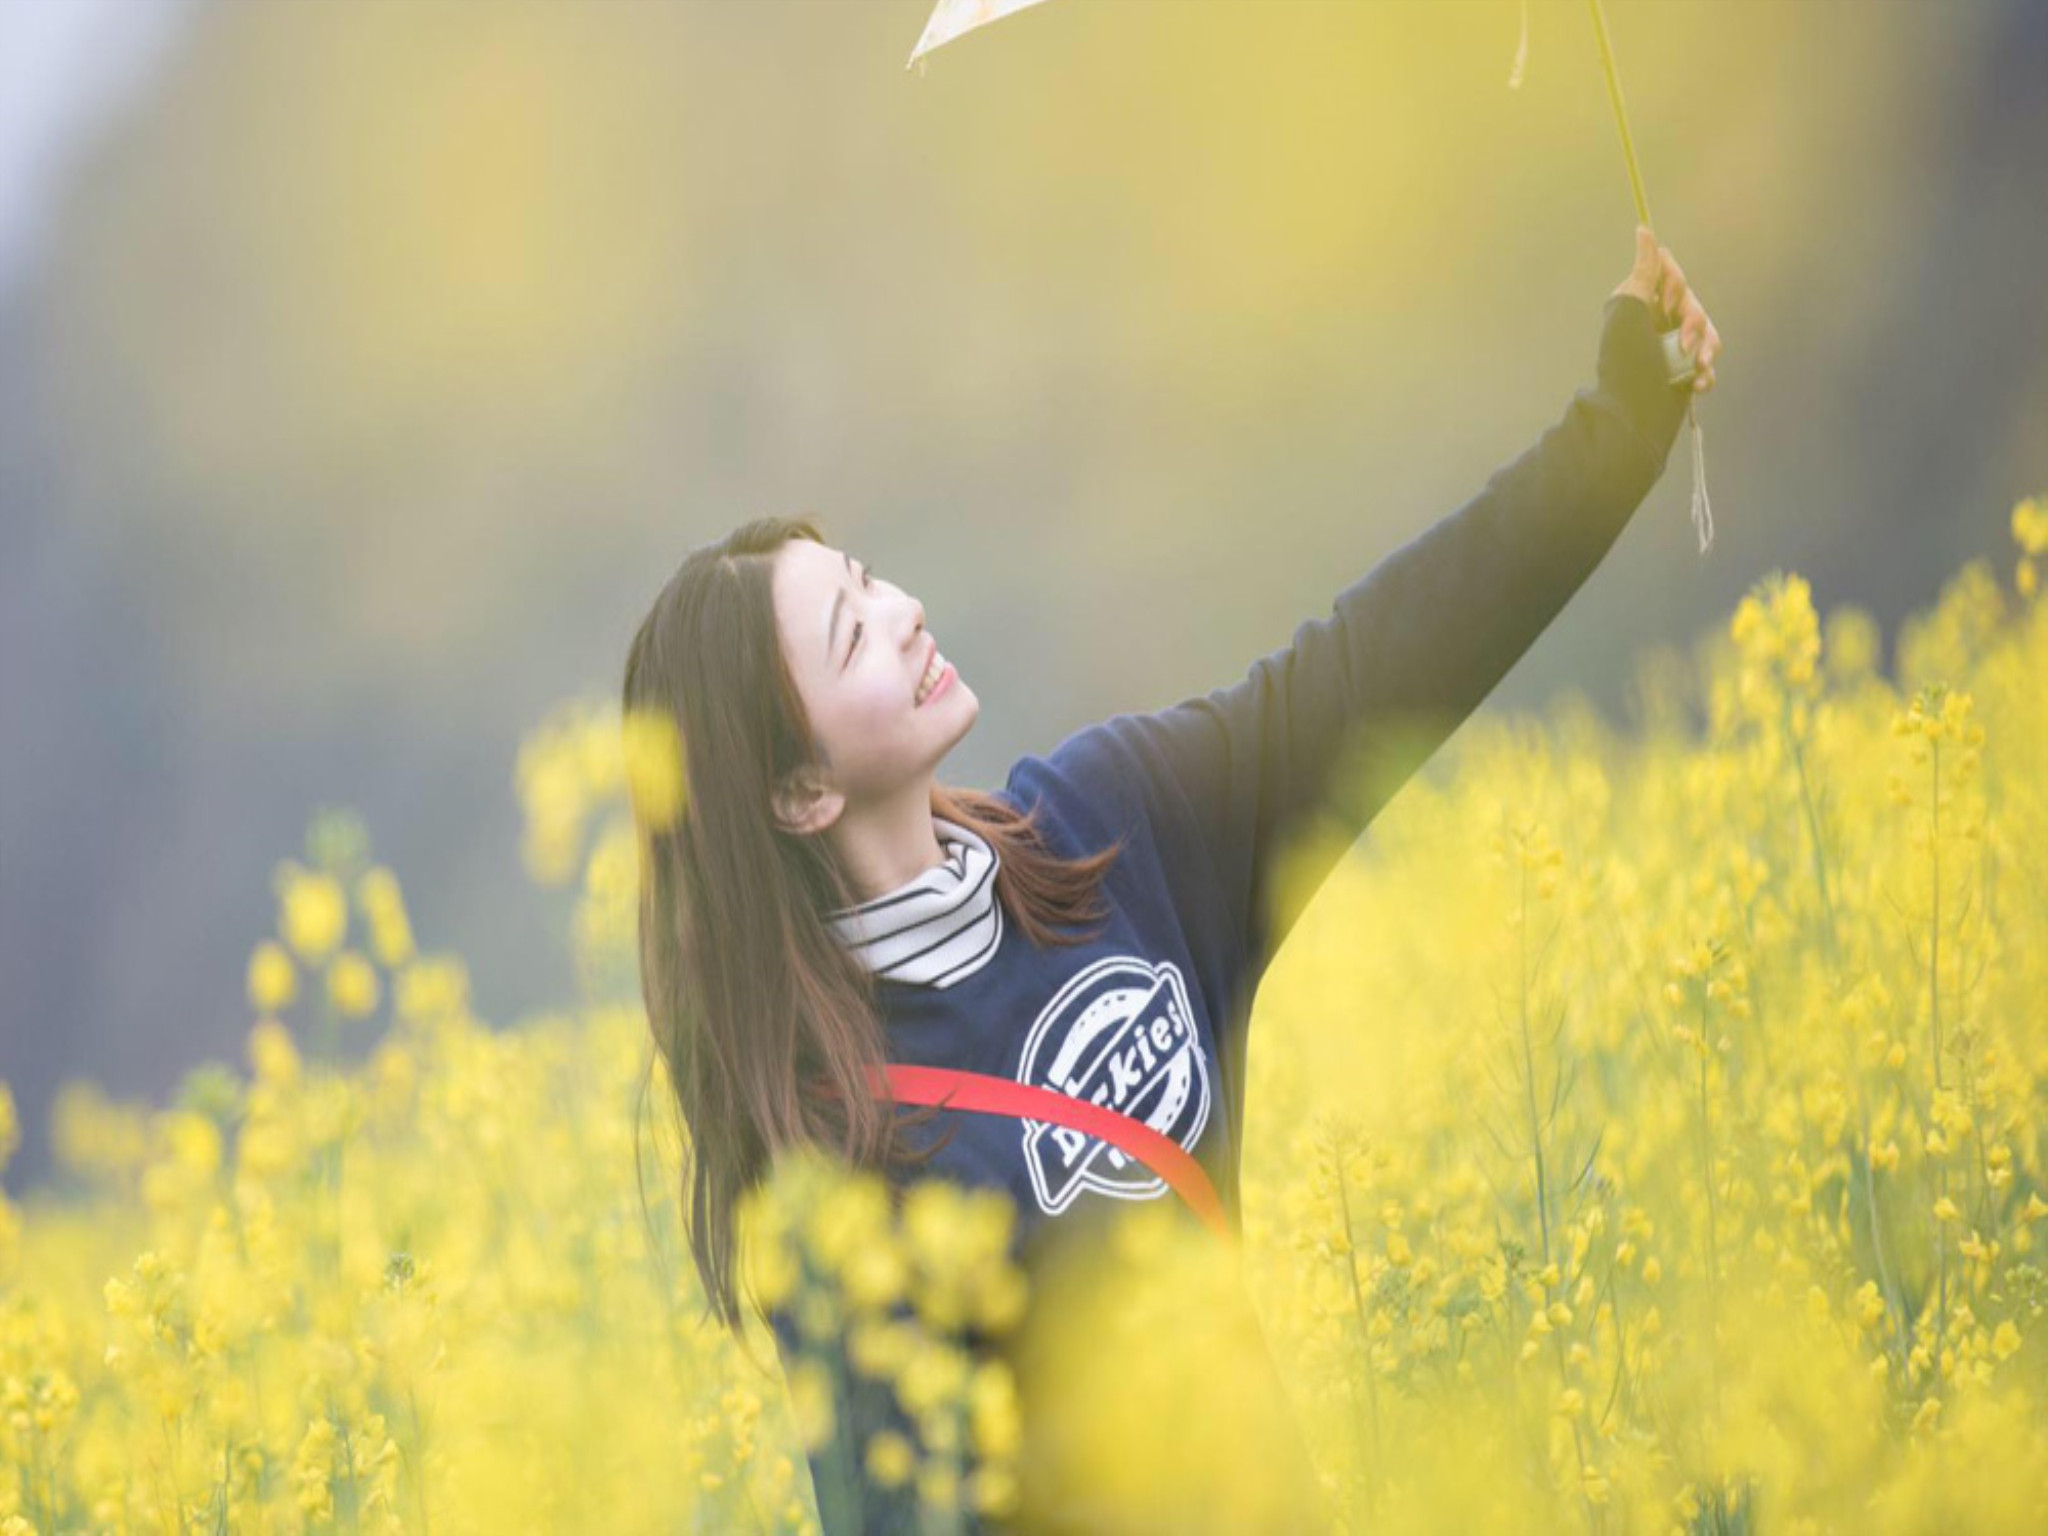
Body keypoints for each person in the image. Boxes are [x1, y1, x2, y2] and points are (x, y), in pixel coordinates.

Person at [623, 225, 1720, 1532]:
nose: (906, 612)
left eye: (871, 583)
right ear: (801, 790)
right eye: (854, 633)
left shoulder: (1111, 826)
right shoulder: (843, 1171)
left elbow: (1374, 667)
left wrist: (1620, 428)